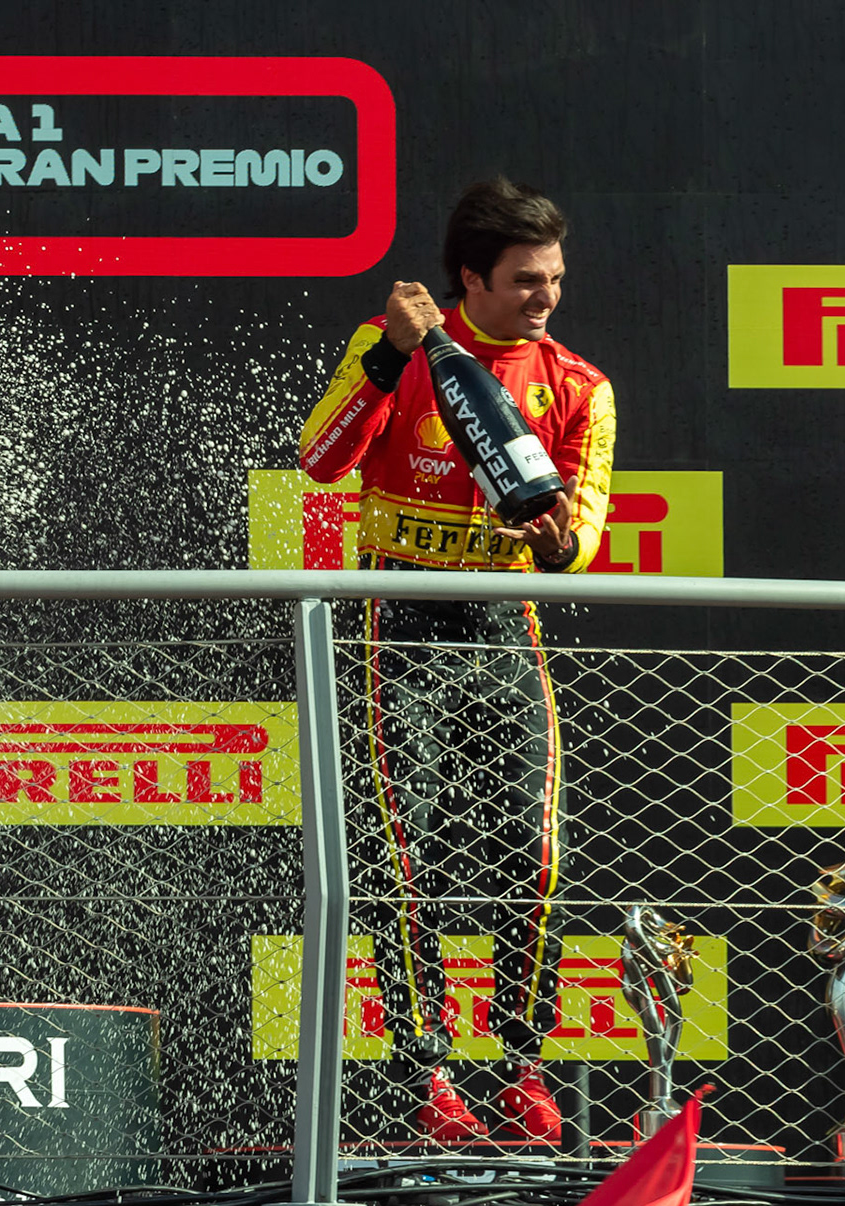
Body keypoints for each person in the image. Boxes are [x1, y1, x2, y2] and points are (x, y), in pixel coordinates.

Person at [298, 179, 615, 1144]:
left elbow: (588, 534)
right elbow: (318, 458)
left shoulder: (579, 384)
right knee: (407, 853)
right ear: (470, 277)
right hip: (397, 611)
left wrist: (561, 543)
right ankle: (425, 1076)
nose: (546, 297)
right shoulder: (395, 351)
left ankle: (521, 1064)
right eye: (526, 281)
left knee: (532, 848)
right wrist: (391, 357)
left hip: (503, 617)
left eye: (555, 278)